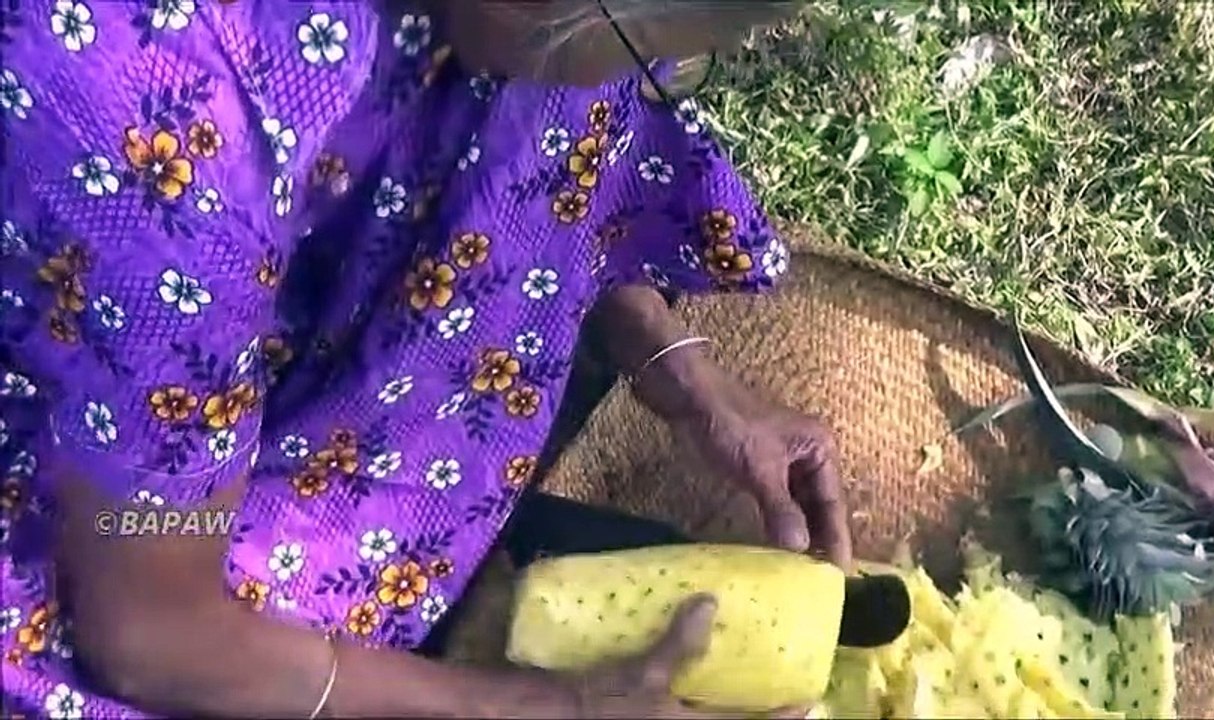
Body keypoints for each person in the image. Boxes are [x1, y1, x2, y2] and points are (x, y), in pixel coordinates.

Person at [0, 0, 851, 716]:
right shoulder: (163, 118)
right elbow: (147, 632)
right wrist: (519, 705)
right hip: (107, 520)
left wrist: (678, 369)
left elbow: (532, 140)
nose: (643, 75)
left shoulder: (495, 24)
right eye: (654, 51)